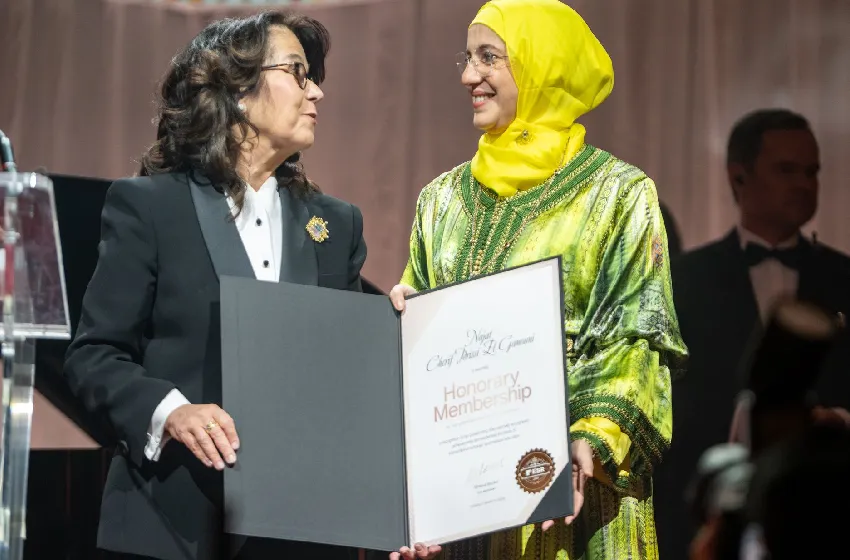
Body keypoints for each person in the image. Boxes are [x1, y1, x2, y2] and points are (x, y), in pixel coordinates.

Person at [63, 11, 369, 560]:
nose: (316, 91)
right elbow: (94, 357)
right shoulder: (150, 207)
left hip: (299, 534)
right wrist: (170, 410)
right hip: (169, 526)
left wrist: (391, 329)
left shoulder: (336, 225)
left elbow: (342, 382)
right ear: (236, 88)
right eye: (297, 72)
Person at [388, 1, 688, 558]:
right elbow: (425, 354)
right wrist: (406, 321)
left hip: (582, 497)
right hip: (464, 509)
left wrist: (593, 437)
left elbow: (638, 337)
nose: (468, 75)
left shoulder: (619, 194)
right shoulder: (441, 200)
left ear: (540, 67)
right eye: (467, 57)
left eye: (489, 57)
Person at [655, 108, 850, 559]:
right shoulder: (683, 281)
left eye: (812, 171)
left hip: (826, 519)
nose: (804, 183)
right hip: (704, 520)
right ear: (738, 177)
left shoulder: (844, 279)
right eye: (787, 169)